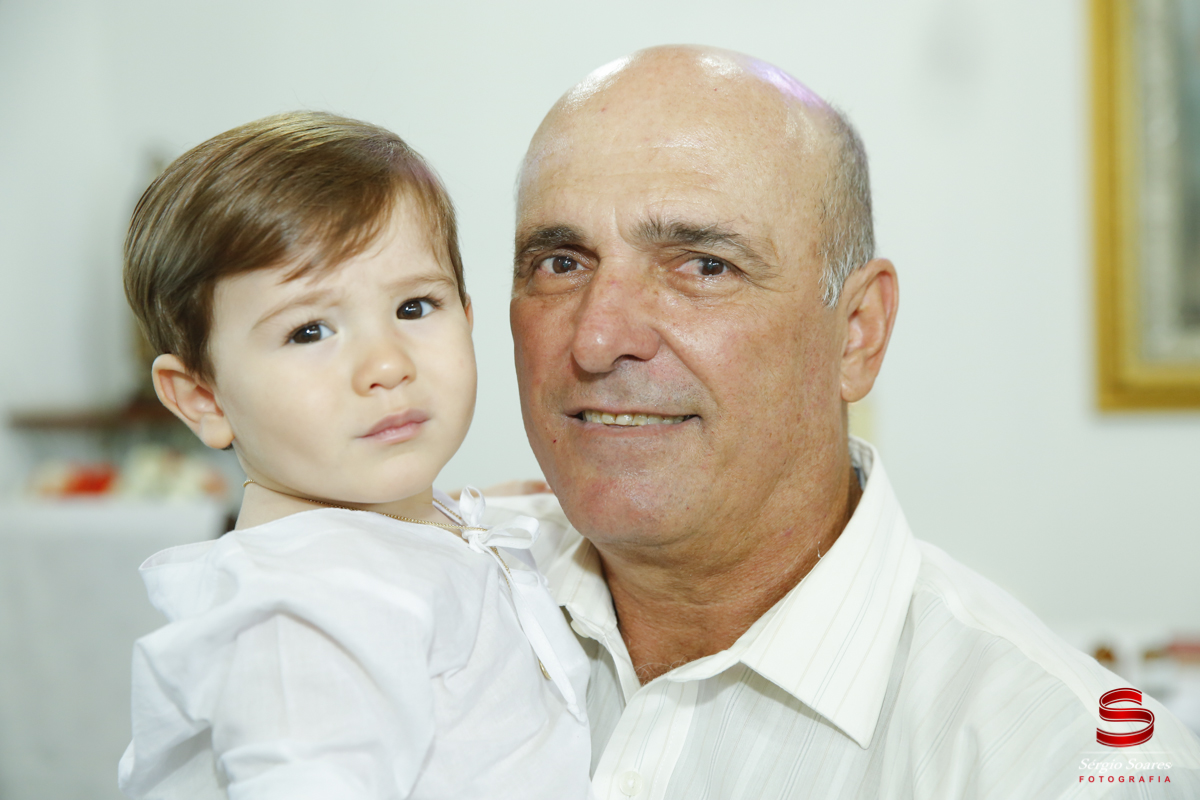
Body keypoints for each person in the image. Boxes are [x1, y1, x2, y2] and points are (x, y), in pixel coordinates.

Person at [484, 45, 1200, 797]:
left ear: (857, 332)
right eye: (561, 263)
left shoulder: (1068, 763)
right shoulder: (443, 600)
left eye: (703, 265)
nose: (597, 338)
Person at [117, 111, 592, 799]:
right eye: (310, 331)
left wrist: (496, 512)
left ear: (467, 314)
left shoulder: (388, 536)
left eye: (414, 308)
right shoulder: (298, 618)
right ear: (204, 398)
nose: (386, 364)